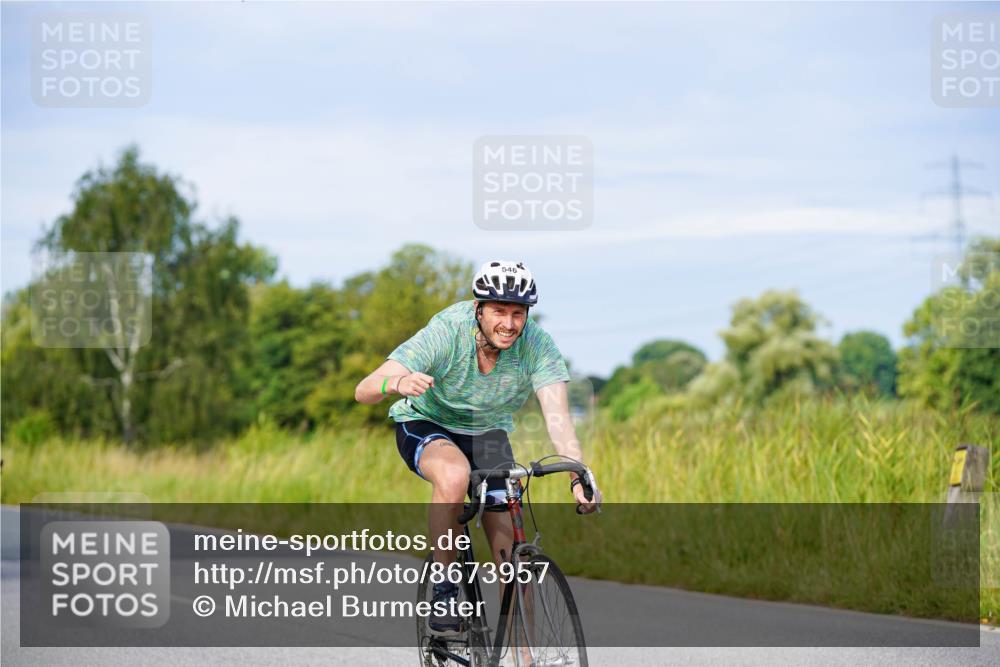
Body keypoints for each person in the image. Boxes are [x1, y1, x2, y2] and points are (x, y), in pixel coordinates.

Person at [355, 260, 600, 634]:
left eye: (518, 313)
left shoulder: (537, 345)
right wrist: (398, 384)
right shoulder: (447, 332)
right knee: (454, 476)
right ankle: (444, 585)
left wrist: (577, 473)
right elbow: (365, 389)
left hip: (486, 434)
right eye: (499, 311)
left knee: (512, 550)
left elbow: (558, 418)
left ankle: (522, 655)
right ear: (478, 308)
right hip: (427, 422)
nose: (509, 323)